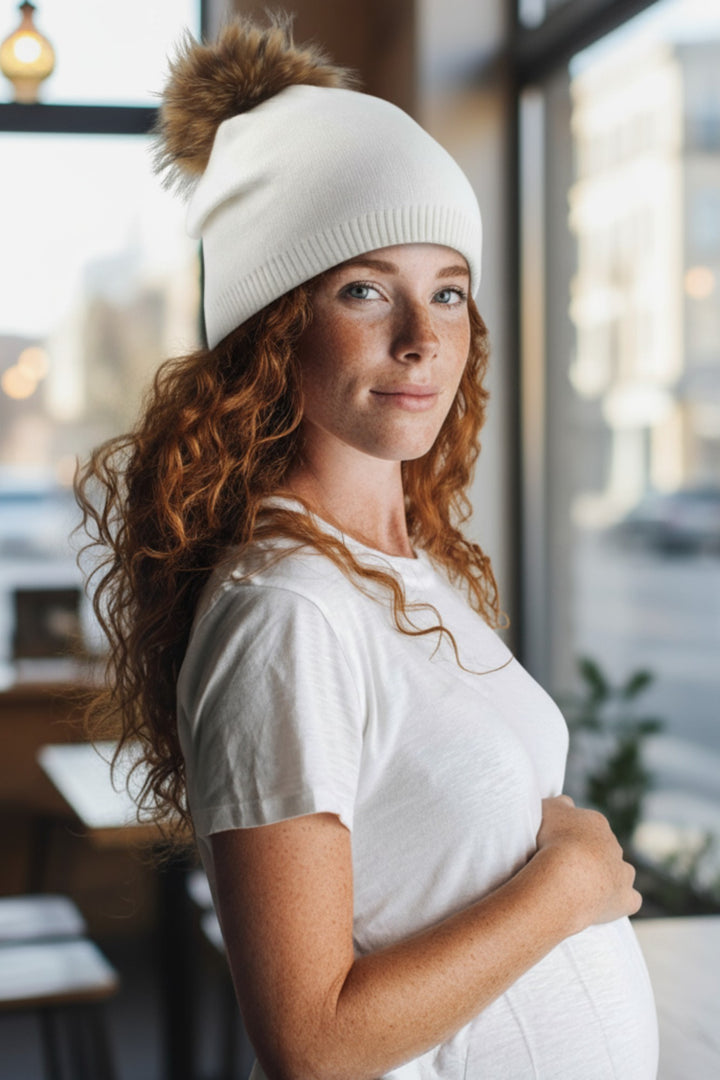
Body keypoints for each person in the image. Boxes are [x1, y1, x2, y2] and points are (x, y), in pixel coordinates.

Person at [76, 15, 659, 1080]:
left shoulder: (408, 566)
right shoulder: (284, 612)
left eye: (447, 290)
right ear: (273, 325)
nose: (422, 337)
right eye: (363, 290)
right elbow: (311, 1040)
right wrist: (565, 890)